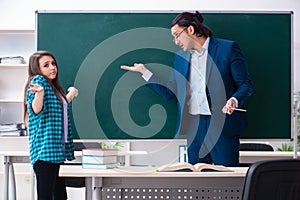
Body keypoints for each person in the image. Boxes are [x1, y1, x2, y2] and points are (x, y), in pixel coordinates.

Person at [121, 11, 253, 167]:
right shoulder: (180, 58)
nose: (175, 41)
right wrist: (145, 72)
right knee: (197, 179)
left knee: (227, 178)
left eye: (177, 35)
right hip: (194, 127)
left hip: (222, 126)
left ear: (190, 30)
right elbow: (170, 92)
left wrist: (233, 100)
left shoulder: (227, 48)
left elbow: (245, 84)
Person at [23, 50, 78, 200]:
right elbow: (36, 109)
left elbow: (59, 108)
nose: (52, 67)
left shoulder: (51, 87)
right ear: (37, 68)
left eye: (53, 63)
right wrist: (39, 94)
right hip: (44, 152)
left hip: (54, 151)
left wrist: (71, 94)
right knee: (47, 196)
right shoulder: (39, 81)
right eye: (46, 65)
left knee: (59, 195)